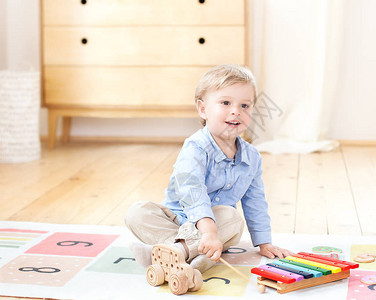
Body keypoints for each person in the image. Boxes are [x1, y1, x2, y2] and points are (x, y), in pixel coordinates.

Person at [125, 64, 293, 273]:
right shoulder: (195, 147)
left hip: (217, 224)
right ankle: (186, 252)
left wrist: (264, 242)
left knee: (232, 219)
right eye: (225, 103)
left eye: (245, 106)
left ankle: (176, 254)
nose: (236, 111)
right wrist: (207, 231)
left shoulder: (252, 157)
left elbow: (255, 201)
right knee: (137, 212)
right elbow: (191, 190)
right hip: (178, 219)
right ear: (203, 109)